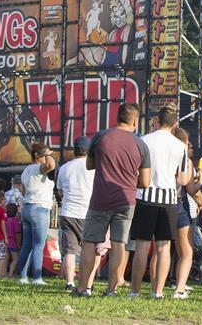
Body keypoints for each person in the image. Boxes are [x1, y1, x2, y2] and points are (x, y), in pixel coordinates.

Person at [75, 102, 151, 298]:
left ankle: (83, 288)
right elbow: (145, 181)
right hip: (126, 200)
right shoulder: (140, 144)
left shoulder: (101, 137)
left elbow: (89, 165)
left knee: (90, 242)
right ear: (135, 121)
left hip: (100, 199)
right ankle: (111, 290)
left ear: (117, 118)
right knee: (119, 244)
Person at [129, 104, 190, 299]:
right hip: (169, 200)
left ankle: (135, 291)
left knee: (142, 247)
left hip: (145, 197)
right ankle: (158, 292)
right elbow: (181, 179)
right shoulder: (180, 146)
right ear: (175, 124)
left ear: (157, 120)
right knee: (164, 248)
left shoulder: (144, 141)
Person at [56, 136, 95, 291]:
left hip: (67, 212)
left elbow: (60, 192)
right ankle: (85, 283)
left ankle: (69, 283)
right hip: (86, 213)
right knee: (88, 249)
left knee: (70, 251)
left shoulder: (64, 168)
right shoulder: (92, 168)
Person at [17, 143, 57, 285]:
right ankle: (37, 278)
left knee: (26, 245)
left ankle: (22, 277)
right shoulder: (38, 169)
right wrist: (47, 154)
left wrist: (45, 154)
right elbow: (51, 165)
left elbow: (23, 192)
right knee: (38, 245)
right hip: (40, 209)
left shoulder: (26, 171)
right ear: (38, 156)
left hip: (27, 208)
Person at [172, 128, 202, 299]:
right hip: (180, 204)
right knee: (186, 252)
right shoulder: (185, 160)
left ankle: (158, 288)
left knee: (162, 249)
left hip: (160, 202)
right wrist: (200, 181)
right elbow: (191, 189)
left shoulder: (163, 155)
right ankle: (179, 289)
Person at [5, 203, 21, 277]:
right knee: (15, 259)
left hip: (5, 241)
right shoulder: (15, 220)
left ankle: (4, 272)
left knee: (6, 258)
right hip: (12, 242)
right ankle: (10, 274)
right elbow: (17, 233)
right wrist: (18, 244)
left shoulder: (5, 220)